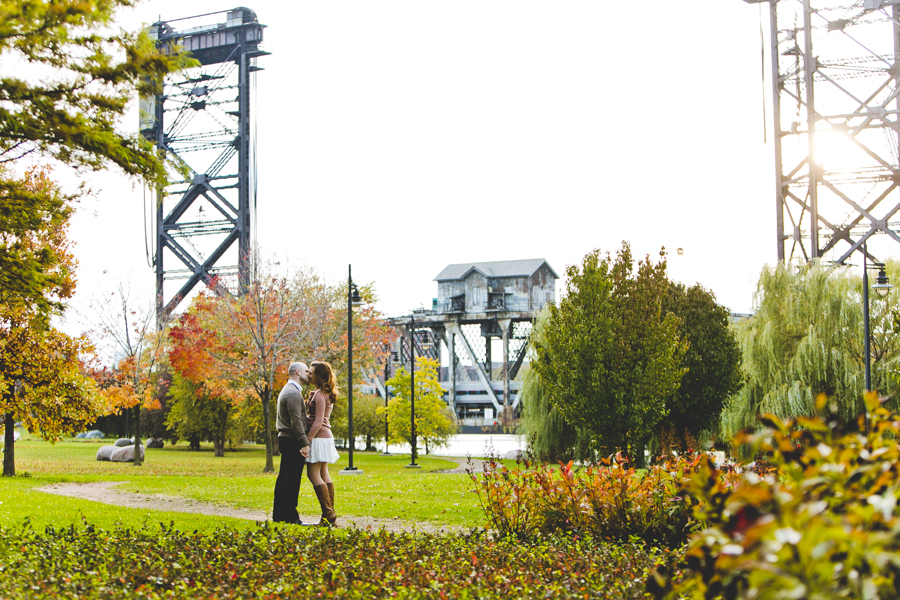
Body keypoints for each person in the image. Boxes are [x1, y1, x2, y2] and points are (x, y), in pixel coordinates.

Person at [272, 361, 311, 524]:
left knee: (285, 478)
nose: (309, 374)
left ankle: (279, 514)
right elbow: (296, 422)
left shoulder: (289, 390)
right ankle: (290, 516)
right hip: (291, 440)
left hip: (286, 439)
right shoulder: (293, 393)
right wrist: (304, 443)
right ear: (297, 372)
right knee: (292, 479)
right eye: (306, 371)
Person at [306, 360, 340, 526]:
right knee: (324, 473)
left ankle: (328, 513)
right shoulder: (322, 393)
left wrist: (307, 440)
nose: (308, 374)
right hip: (326, 437)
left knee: (312, 474)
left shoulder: (320, 395)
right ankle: (329, 517)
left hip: (319, 437)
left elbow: (318, 421)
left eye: (311, 372)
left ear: (318, 376)